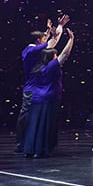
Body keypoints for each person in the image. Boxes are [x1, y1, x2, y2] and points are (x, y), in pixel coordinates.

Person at [18, 15, 67, 153]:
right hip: (32, 89)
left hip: (35, 88)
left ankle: (30, 143)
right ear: (38, 41)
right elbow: (53, 42)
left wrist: (52, 30)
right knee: (27, 117)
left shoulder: (33, 49)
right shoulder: (31, 50)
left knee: (32, 117)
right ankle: (22, 143)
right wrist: (60, 27)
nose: (46, 39)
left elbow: (50, 39)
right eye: (44, 38)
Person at [23, 29, 75, 158]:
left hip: (36, 98)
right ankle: (41, 149)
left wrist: (55, 33)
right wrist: (71, 40)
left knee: (35, 124)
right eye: (54, 56)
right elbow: (65, 54)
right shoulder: (51, 66)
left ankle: (31, 149)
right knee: (45, 124)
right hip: (48, 98)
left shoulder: (37, 67)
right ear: (51, 57)